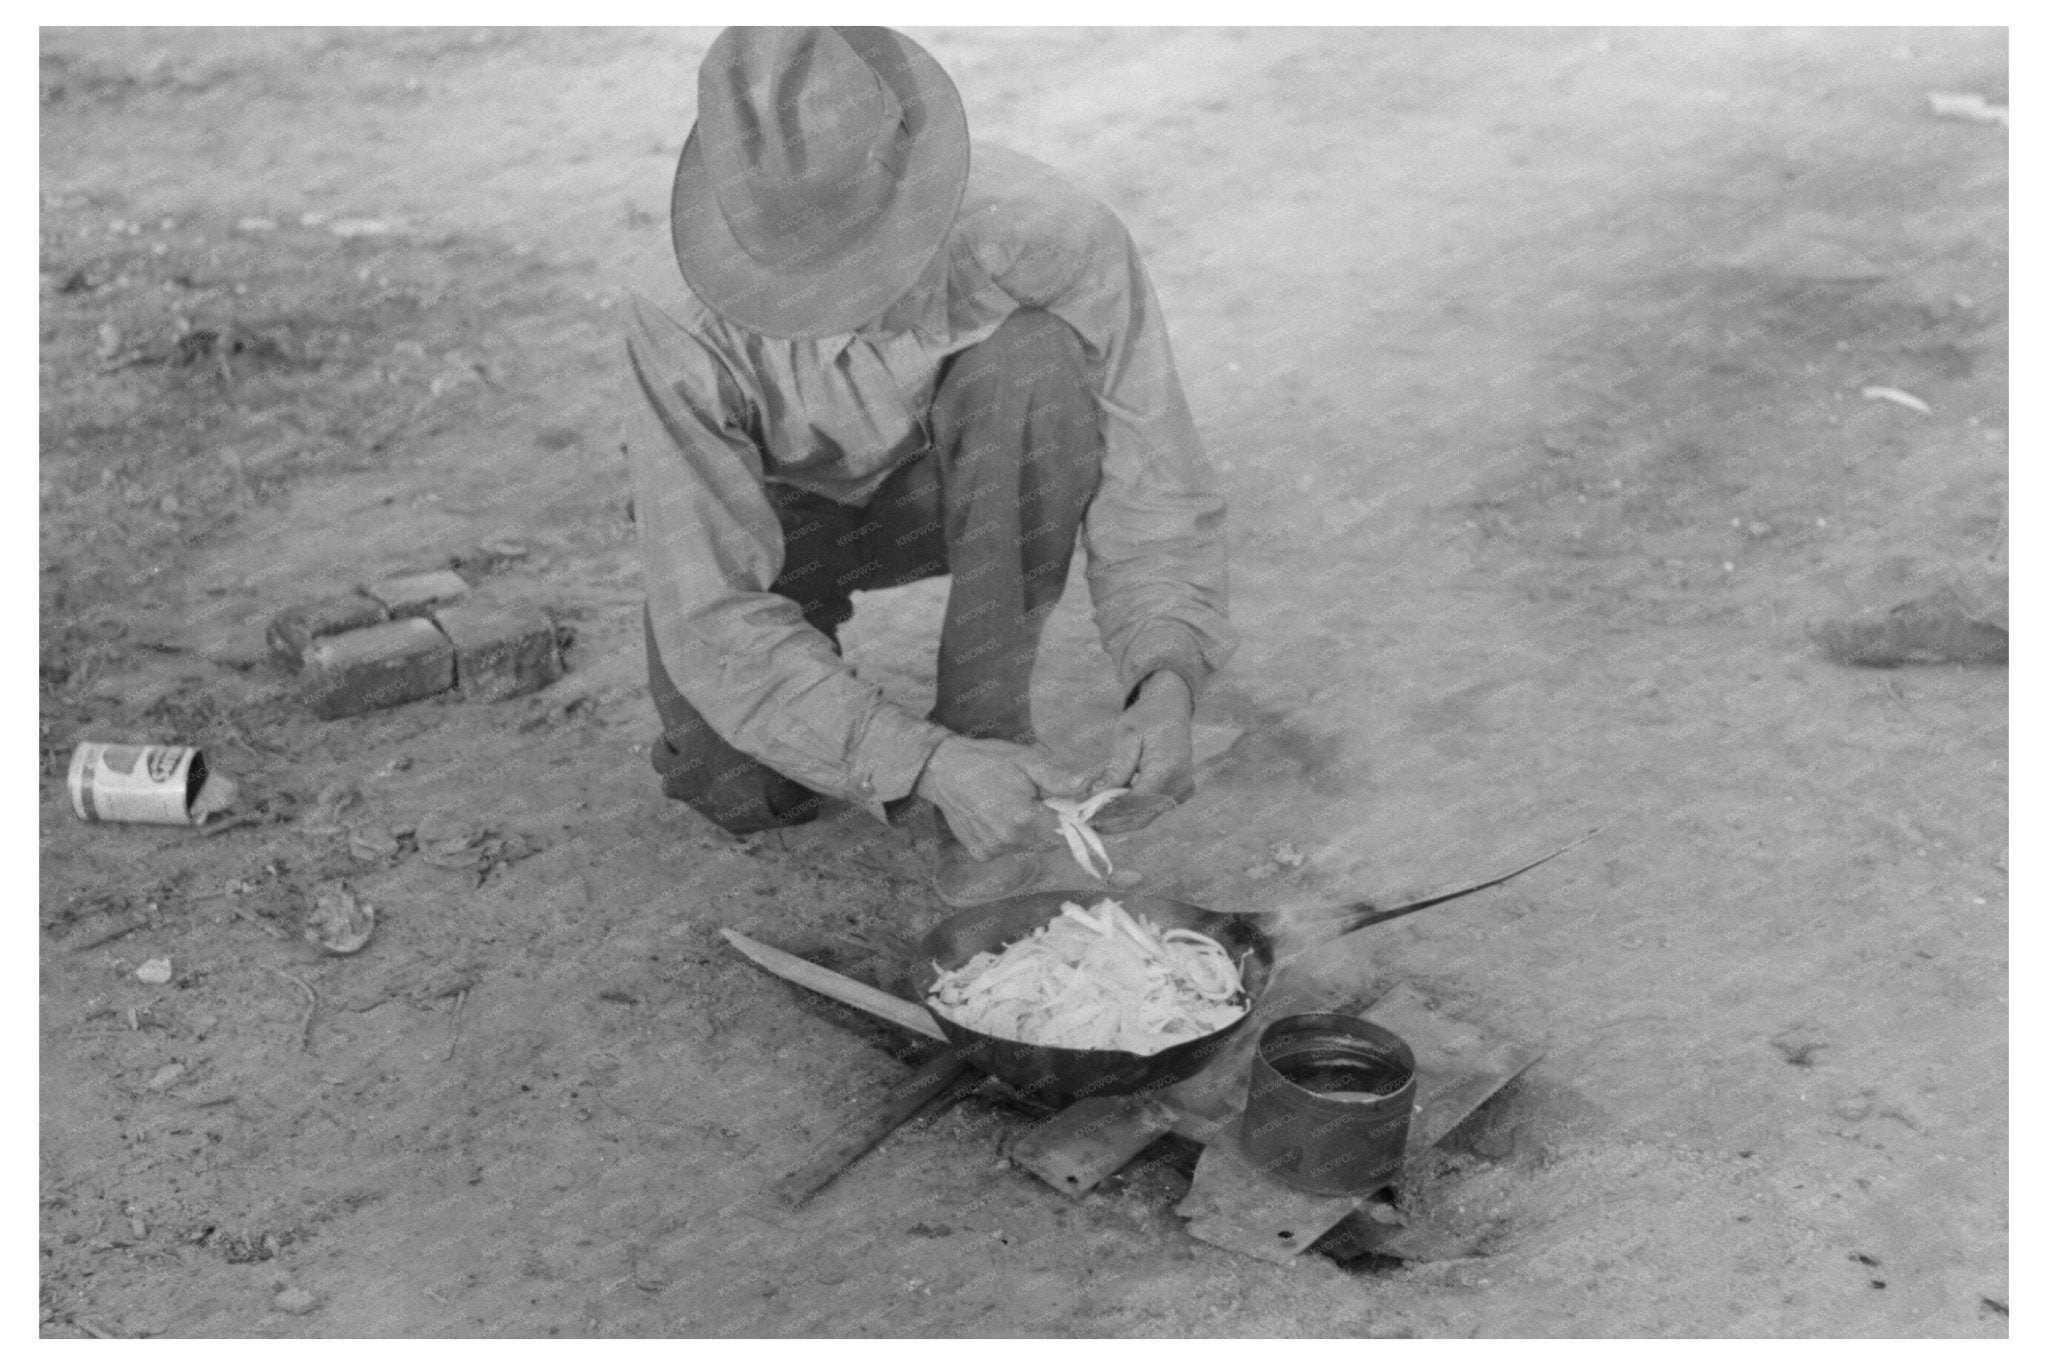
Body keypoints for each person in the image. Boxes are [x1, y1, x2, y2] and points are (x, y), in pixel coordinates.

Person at [625, 26, 1234, 905]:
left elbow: (1156, 481)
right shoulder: (671, 314)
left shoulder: (1053, 233)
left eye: (878, 264)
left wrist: (1165, 675)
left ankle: (987, 720)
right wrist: (915, 761)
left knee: (1034, 363)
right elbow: (710, 611)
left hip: (956, 495)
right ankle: (949, 765)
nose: (862, 306)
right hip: (780, 526)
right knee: (736, 782)